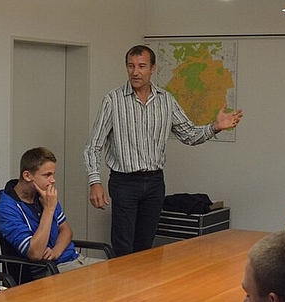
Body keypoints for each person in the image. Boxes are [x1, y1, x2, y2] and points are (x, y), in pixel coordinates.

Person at [83, 45, 243, 257]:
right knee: (123, 246)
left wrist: (215, 127)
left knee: (145, 247)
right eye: (131, 66)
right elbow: (93, 145)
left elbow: (189, 134)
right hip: (124, 182)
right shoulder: (112, 100)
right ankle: (122, 289)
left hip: (154, 183)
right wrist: (95, 181)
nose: (135, 72)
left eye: (141, 66)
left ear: (153, 68)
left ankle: (145, 290)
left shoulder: (166, 100)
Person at [0, 147, 100, 278]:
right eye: (47, 175)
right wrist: (49, 209)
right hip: (49, 270)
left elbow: (66, 230)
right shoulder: (7, 208)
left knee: (122, 274)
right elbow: (35, 253)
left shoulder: (43, 195)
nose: (53, 180)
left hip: (74, 259)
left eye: (53, 174)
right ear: (27, 175)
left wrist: (56, 251)